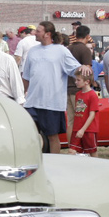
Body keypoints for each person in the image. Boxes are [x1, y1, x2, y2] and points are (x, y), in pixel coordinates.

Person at [21, 21, 92, 153]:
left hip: (51, 103)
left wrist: (82, 66)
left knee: (52, 137)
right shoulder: (32, 51)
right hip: (32, 102)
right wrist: (22, 94)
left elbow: (75, 69)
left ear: (47, 34)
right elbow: (26, 77)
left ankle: (54, 165)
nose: (35, 33)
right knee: (30, 137)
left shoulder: (61, 51)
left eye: (39, 31)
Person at [66, 24, 93, 138]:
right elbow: (87, 70)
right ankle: (78, 148)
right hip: (79, 91)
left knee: (71, 121)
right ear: (87, 36)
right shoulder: (85, 50)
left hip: (67, 88)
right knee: (81, 120)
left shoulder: (68, 49)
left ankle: (71, 146)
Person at [69, 71, 99, 157]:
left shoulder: (92, 95)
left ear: (87, 82)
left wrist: (83, 129)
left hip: (89, 130)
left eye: (78, 80)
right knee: (72, 151)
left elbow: (92, 115)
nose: (76, 82)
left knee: (92, 152)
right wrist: (77, 128)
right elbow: (78, 112)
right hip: (76, 128)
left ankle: (96, 168)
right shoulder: (78, 94)